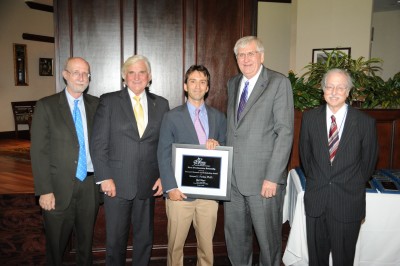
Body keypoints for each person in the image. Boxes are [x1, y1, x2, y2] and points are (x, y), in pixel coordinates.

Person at [90, 55, 169, 265]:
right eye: (131, 73)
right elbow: (98, 143)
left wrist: (163, 176)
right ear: (124, 77)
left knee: (144, 240)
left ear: (149, 77)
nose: (136, 77)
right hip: (116, 183)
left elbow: (165, 145)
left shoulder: (161, 104)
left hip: (148, 182)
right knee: (115, 241)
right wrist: (104, 177)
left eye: (141, 72)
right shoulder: (108, 101)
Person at [224, 36, 294, 266]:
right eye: (241, 55)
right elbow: (234, 129)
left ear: (261, 56)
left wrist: (272, 177)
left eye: (251, 54)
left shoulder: (278, 83)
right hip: (232, 182)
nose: (246, 59)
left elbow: (284, 133)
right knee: (236, 240)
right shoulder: (233, 83)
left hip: (263, 181)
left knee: (268, 242)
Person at [299, 68, 378, 266]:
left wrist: (349, 183)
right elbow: (305, 158)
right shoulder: (309, 119)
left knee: (344, 260)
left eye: (340, 87)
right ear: (323, 90)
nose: (334, 92)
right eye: (329, 86)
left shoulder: (365, 123)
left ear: (348, 92)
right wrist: (320, 180)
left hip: (347, 203)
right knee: (316, 260)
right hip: (317, 201)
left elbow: (368, 164)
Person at [30, 57, 100, 265]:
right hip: (57, 189)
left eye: (85, 73)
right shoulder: (46, 106)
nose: (81, 77)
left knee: (85, 247)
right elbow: (39, 152)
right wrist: (44, 190)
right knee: (56, 247)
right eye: (76, 72)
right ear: (65, 74)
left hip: (89, 186)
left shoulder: (97, 105)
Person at [157, 65, 227, 266]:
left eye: (203, 82)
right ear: (185, 86)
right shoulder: (171, 116)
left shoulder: (218, 117)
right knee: (175, 246)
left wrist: (218, 146)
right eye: (193, 81)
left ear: (207, 88)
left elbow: (226, 150)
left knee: (206, 248)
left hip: (208, 196)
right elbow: (162, 153)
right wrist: (170, 187)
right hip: (179, 194)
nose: (198, 86)